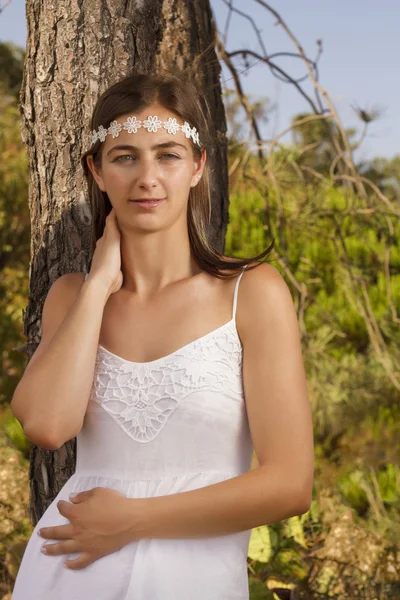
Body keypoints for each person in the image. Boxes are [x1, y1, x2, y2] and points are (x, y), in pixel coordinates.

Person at [10, 71, 314, 599]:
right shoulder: (73, 296)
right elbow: (46, 424)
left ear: (197, 167)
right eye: (125, 156)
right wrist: (100, 282)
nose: (147, 177)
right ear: (98, 172)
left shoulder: (252, 295)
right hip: (67, 579)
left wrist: (135, 520)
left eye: (168, 155)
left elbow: (290, 484)